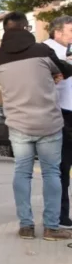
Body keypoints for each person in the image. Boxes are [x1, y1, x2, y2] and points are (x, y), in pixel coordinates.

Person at [0, 12, 72, 241]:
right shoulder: (41, 51)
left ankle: (26, 226)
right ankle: (51, 227)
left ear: (5, 31)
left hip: (18, 125)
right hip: (49, 122)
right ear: (27, 29)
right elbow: (65, 71)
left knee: (22, 173)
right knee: (51, 173)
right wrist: (56, 73)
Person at [44, 15, 72, 229]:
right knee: (61, 169)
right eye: (71, 31)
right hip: (61, 115)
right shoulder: (46, 51)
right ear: (58, 32)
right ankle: (61, 216)